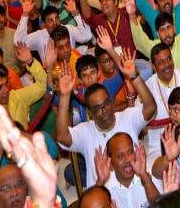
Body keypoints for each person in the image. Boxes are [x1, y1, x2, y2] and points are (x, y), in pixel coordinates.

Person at [55, 47, 157, 187]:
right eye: (97, 109)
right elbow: (62, 137)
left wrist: (134, 76)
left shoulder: (126, 118)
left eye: (106, 104)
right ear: (89, 112)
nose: (103, 111)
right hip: (103, 199)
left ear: (111, 102)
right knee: (69, 171)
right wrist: (65, 96)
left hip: (136, 190)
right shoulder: (85, 131)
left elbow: (150, 108)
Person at [93, 132, 160, 206]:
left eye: (130, 152)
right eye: (120, 156)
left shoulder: (148, 174)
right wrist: (101, 181)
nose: (128, 159)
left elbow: (160, 205)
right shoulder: (104, 188)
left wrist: (144, 176)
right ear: (111, 164)